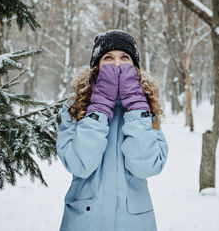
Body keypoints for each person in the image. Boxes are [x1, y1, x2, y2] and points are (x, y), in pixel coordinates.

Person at [57, 29, 168, 231]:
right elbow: (79, 164)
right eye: (108, 57)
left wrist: (135, 107)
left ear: (135, 67)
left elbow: (148, 166)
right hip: (85, 222)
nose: (117, 64)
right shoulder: (75, 107)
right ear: (96, 66)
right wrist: (98, 107)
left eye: (124, 57)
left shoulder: (147, 109)